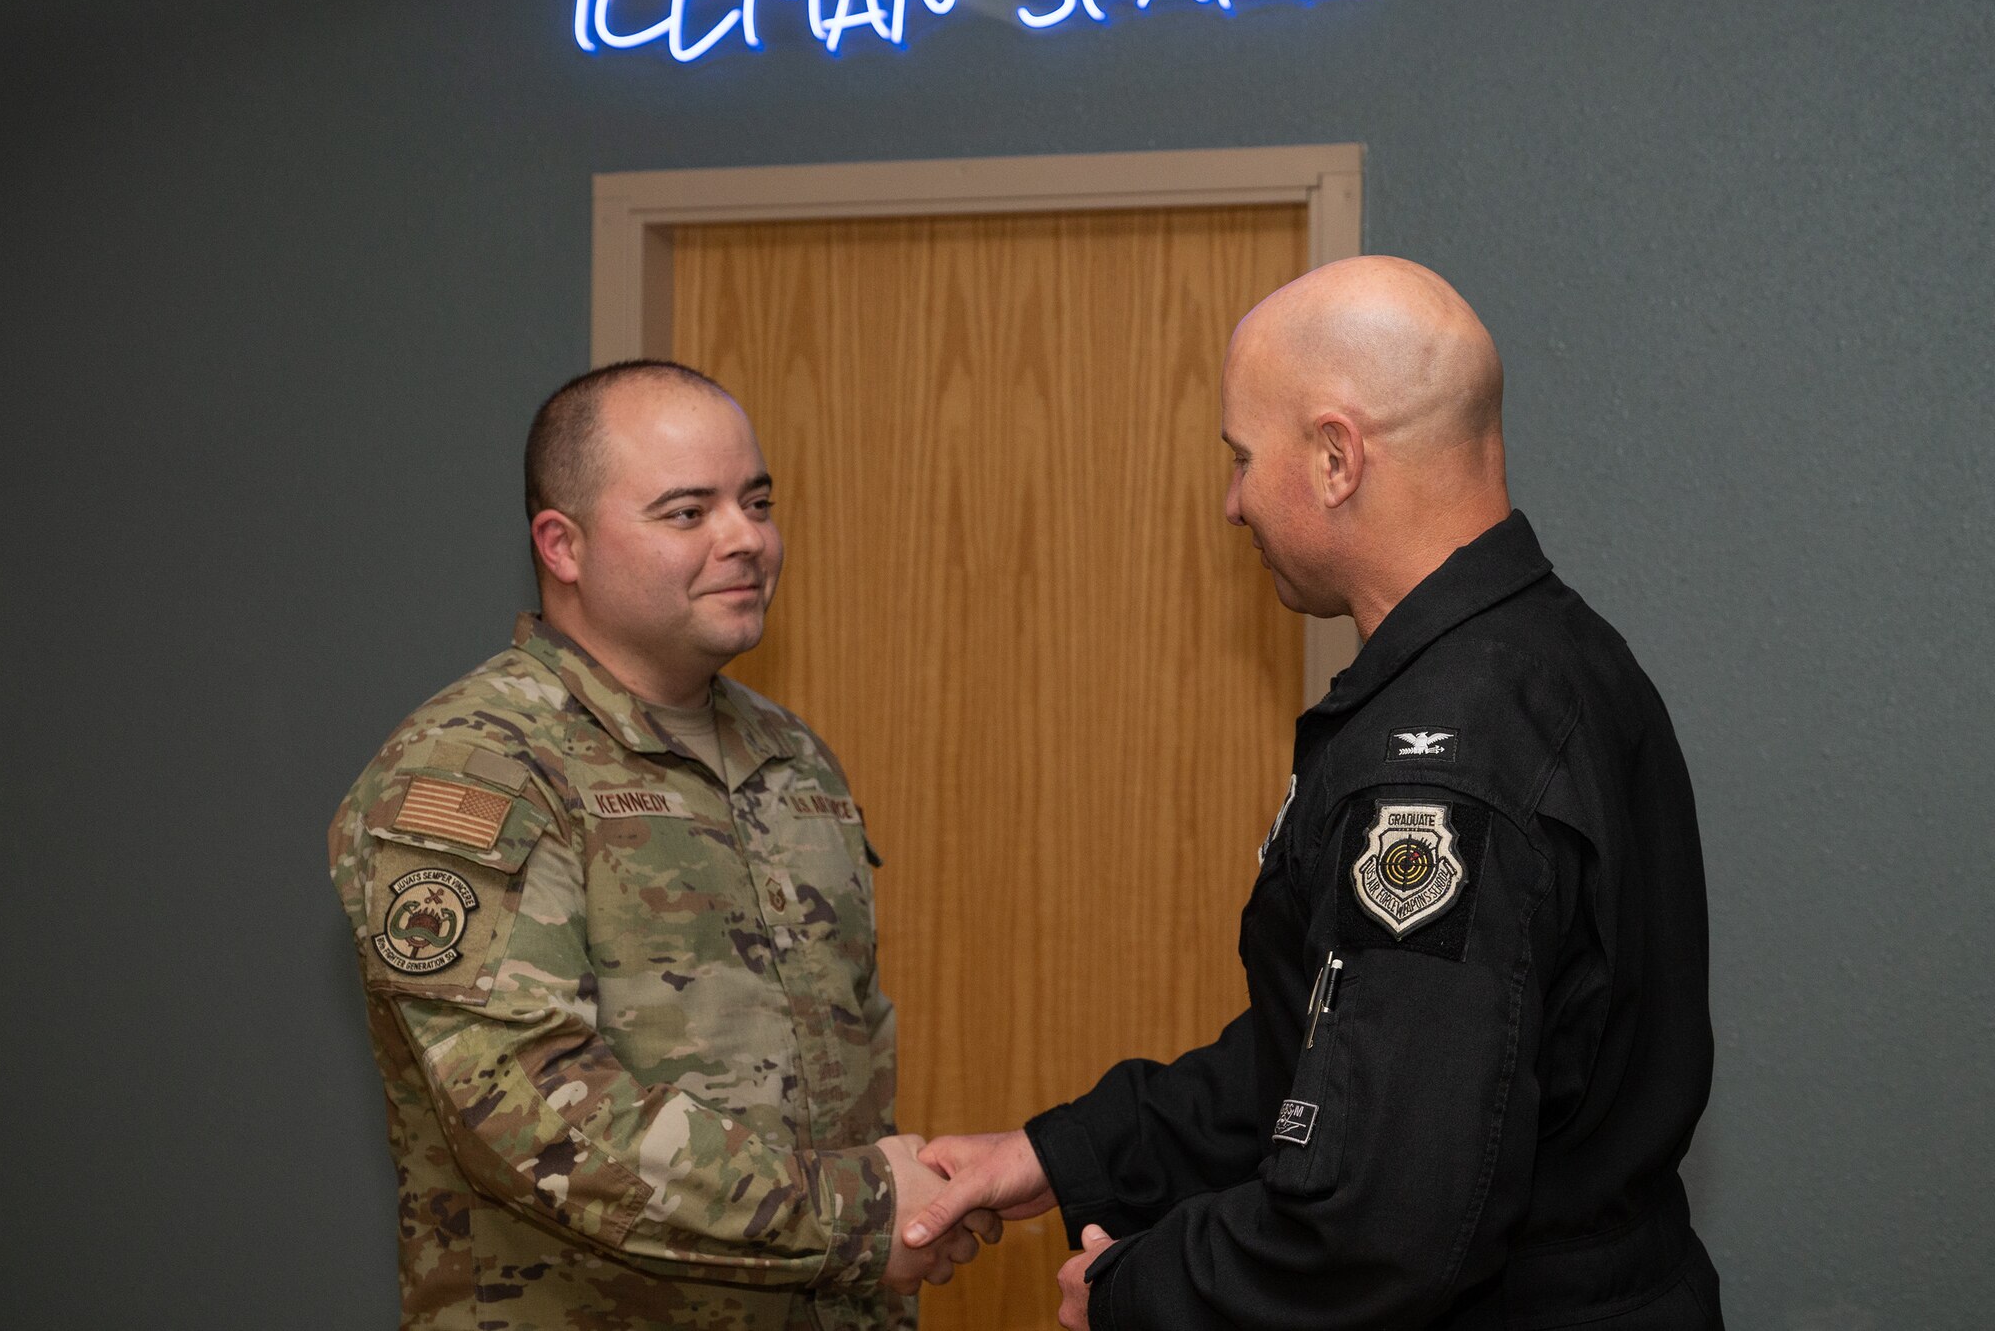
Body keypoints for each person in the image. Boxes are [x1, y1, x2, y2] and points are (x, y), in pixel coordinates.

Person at [903, 257, 1724, 1330]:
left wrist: (1136, 1290)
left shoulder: (1441, 764)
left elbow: (1377, 1223)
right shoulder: (1550, 655)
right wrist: (1063, 1153)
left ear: (1336, 456)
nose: (1231, 502)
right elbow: (1330, 1051)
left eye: (1243, 458)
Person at [327, 361, 991, 1330]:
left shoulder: (789, 756)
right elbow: (536, 1119)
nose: (746, 539)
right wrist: (859, 1215)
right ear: (562, 544)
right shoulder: (475, 770)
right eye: (687, 512)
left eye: (755, 501)